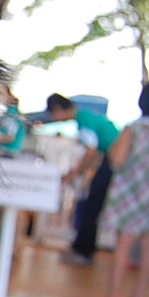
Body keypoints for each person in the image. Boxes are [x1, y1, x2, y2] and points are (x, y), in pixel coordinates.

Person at [100, 82, 149, 297]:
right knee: (148, 246)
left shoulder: (134, 129)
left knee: (123, 244)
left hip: (128, 192)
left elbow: (117, 159)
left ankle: (113, 296)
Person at [45, 93, 119, 266]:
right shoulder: (85, 116)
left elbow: (90, 152)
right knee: (91, 205)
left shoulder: (83, 120)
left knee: (91, 206)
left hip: (113, 161)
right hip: (110, 160)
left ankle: (83, 251)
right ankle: (83, 248)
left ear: (57, 109)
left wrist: (73, 174)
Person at [0, 85, 25, 157]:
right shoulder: (7, 113)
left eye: (0, 93)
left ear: (8, 97)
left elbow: (10, 137)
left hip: (7, 154)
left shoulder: (10, 114)